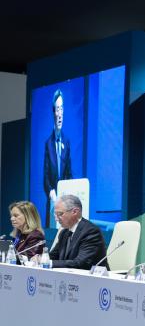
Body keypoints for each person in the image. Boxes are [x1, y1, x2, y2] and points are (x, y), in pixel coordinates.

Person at [49, 194, 106, 269]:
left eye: (60, 214)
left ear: (75, 212)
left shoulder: (91, 232)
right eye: (55, 215)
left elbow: (80, 263)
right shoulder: (64, 233)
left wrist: (49, 263)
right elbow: (53, 256)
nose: (56, 219)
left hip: (91, 278)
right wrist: (40, 259)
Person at [43, 90, 73, 228]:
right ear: (53, 112)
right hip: (53, 204)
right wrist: (52, 193)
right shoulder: (48, 144)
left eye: (62, 109)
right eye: (57, 109)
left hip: (65, 203)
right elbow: (46, 178)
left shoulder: (66, 142)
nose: (60, 114)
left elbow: (69, 173)